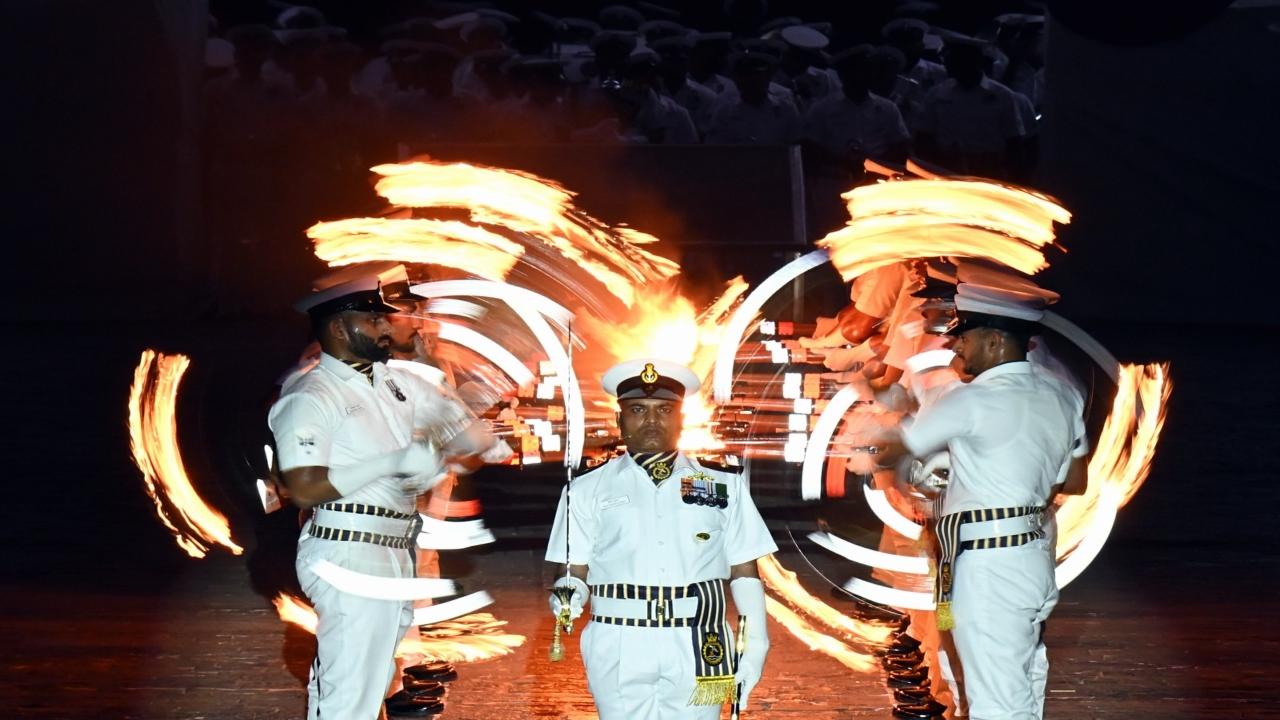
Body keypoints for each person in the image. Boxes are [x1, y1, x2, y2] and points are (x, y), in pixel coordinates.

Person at [269, 277, 501, 719]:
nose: (385, 326)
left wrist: (461, 442)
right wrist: (392, 462)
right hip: (347, 549)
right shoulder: (312, 394)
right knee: (349, 693)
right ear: (340, 328)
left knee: (371, 682)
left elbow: (471, 443)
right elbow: (302, 487)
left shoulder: (396, 384)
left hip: (395, 549)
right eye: (372, 318)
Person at [875, 284, 1089, 720]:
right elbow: (1077, 481)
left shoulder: (970, 400)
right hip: (1031, 560)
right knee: (1022, 683)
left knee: (995, 702)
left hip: (987, 567)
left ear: (994, 340)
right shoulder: (1063, 394)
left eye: (964, 337)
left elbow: (897, 450)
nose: (955, 346)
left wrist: (876, 424)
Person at [545, 359, 777, 719]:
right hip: (618, 639)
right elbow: (573, 567)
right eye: (638, 410)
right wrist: (567, 596)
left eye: (665, 410)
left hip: (702, 638)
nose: (652, 420)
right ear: (619, 420)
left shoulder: (723, 485)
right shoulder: (586, 490)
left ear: (682, 418)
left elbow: (745, 568)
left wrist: (757, 645)